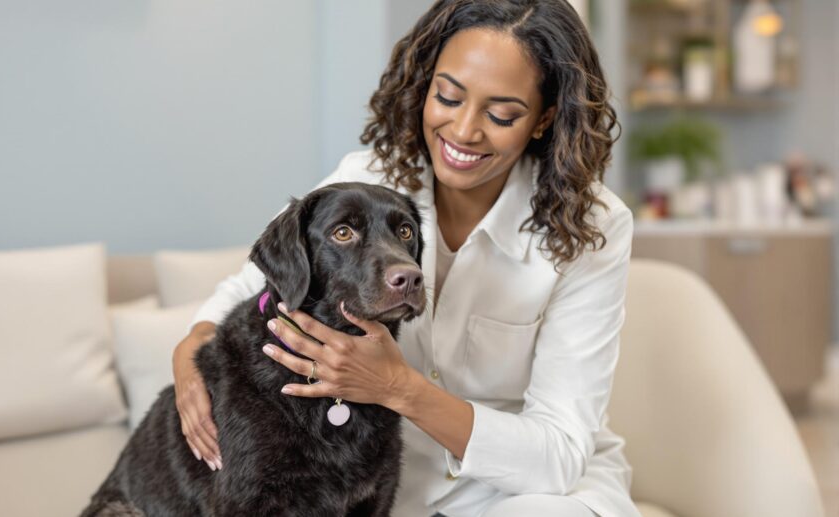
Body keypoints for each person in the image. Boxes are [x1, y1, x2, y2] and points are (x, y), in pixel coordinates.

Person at [172, 1, 638, 516]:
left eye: (501, 114)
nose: (463, 131)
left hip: (527, 488)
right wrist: (191, 352)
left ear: (545, 118)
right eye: (448, 96)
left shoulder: (594, 227)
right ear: (424, 82)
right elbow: (253, 286)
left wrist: (398, 387)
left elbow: (561, 454)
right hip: (399, 488)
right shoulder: (372, 177)